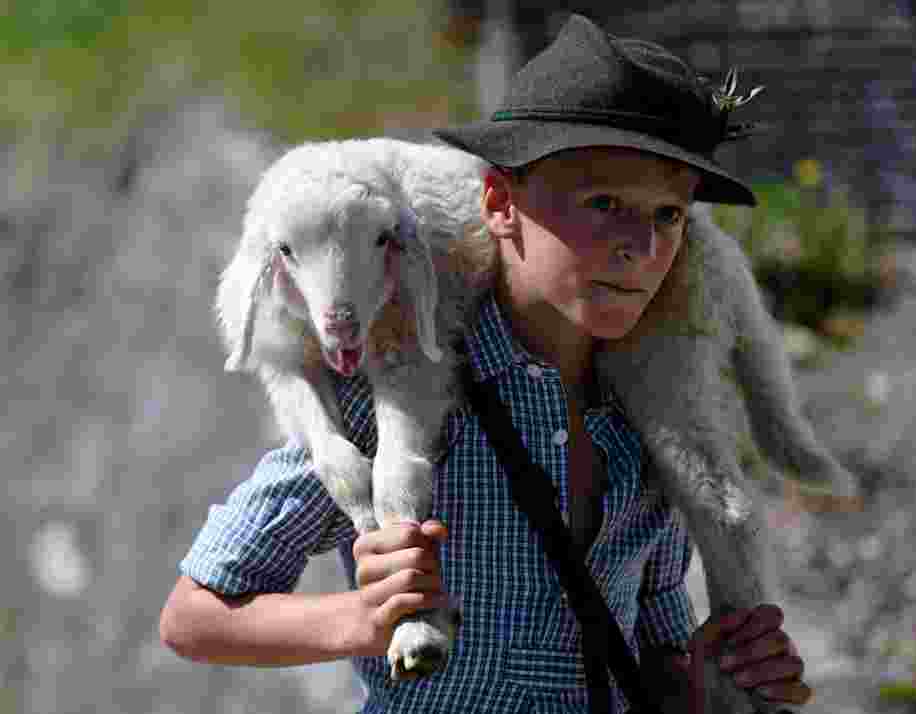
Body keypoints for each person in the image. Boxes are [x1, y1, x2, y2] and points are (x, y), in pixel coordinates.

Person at [160, 13, 812, 713]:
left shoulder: (638, 427)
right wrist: (358, 621)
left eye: (667, 216)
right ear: (500, 204)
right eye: (603, 203)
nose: (640, 246)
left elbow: (646, 656)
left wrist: (705, 685)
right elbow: (193, 617)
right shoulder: (391, 407)